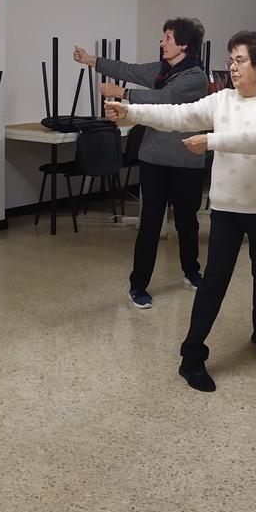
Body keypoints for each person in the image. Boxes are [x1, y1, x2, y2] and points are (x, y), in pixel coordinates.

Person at [105, 31, 256, 393]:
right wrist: (131, 111)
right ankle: (192, 356)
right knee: (214, 282)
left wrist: (211, 141)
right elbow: (179, 114)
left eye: (240, 61)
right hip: (228, 206)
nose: (232, 67)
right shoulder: (223, 99)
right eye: (231, 59)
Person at [73, 18, 207, 309]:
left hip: (186, 160)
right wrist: (91, 60)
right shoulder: (162, 70)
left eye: (168, 38)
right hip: (154, 160)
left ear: (184, 44)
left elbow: (165, 99)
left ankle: (192, 272)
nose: (162, 42)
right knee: (150, 224)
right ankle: (138, 285)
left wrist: (121, 94)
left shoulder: (194, 77)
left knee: (187, 222)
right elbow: (128, 70)